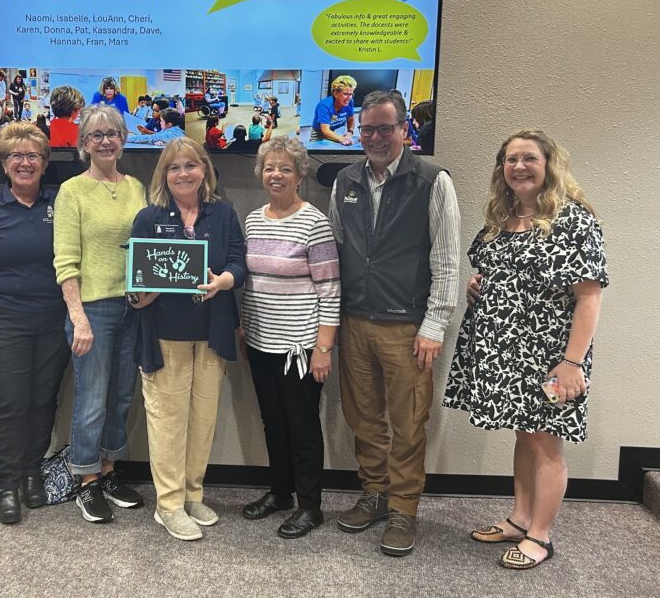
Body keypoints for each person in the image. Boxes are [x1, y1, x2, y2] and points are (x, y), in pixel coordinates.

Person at [443, 129, 607, 570]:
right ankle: (520, 518)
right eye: (511, 160)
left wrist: (572, 363)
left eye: (529, 158)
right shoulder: (504, 216)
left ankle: (541, 535)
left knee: (547, 445)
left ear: (549, 164)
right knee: (525, 434)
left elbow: (590, 296)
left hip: (551, 357)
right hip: (504, 354)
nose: (519, 167)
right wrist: (478, 285)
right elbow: (491, 268)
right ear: (502, 169)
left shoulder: (572, 220)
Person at [328, 89, 460, 556]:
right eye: (367, 129)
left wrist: (434, 325)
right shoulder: (344, 179)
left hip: (407, 326)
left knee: (407, 422)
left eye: (385, 128)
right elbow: (335, 252)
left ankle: (404, 509)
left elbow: (446, 260)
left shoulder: (432, 180)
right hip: (355, 321)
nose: (376, 137)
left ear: (405, 129)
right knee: (363, 416)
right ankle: (375, 494)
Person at [129, 138, 247, 540]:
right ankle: (169, 504)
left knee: (203, 417)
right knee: (168, 419)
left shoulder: (224, 214)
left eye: (191, 165)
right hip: (165, 333)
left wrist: (224, 281)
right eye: (174, 167)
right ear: (164, 174)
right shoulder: (149, 217)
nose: (183, 173)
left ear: (204, 170)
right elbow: (137, 279)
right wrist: (151, 284)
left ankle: (193, 493)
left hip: (212, 331)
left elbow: (237, 261)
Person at [0, 123, 70, 525]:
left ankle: (31, 472)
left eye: (33, 157)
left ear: (44, 163)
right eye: (15, 157)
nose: (25, 163)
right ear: (4, 164)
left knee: (44, 400)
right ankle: (7, 484)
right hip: (4, 318)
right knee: (10, 403)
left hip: (54, 317)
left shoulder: (60, 204)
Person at [241, 136, 340, 539]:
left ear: (300, 175)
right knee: (272, 423)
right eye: (269, 167)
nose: (275, 174)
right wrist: (246, 329)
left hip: (300, 348)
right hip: (261, 344)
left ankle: (310, 506)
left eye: (284, 168)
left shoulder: (314, 223)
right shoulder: (252, 219)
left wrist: (323, 348)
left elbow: (330, 289)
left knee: (302, 426)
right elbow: (252, 283)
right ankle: (280, 494)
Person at [53, 104, 147, 523]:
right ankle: (86, 480)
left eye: (112, 133)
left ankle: (109, 470)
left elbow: (147, 249)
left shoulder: (137, 187)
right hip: (92, 308)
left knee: (122, 396)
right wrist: (79, 317)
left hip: (134, 307)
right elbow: (66, 261)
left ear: (124, 139)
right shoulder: (72, 190)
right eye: (96, 135)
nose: (106, 140)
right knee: (91, 400)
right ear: (83, 144)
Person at [311, 75, 357, 145]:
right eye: (345, 94)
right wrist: (341, 139)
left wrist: (350, 132)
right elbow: (325, 131)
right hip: (320, 133)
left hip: (336, 131)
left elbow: (351, 119)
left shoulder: (350, 102)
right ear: (335, 93)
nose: (348, 98)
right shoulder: (324, 106)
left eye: (351, 94)